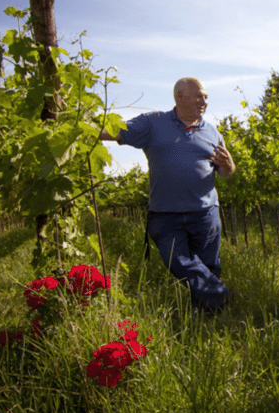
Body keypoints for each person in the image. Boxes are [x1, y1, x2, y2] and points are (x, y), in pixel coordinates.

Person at [100, 77, 236, 312]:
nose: (204, 100)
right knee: (178, 261)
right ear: (180, 96)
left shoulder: (212, 131)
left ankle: (210, 318)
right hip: (165, 215)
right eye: (199, 95)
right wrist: (77, 125)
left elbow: (225, 172)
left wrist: (229, 165)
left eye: (205, 96)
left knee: (207, 267)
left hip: (205, 213)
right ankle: (222, 294)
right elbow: (114, 132)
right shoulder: (154, 123)